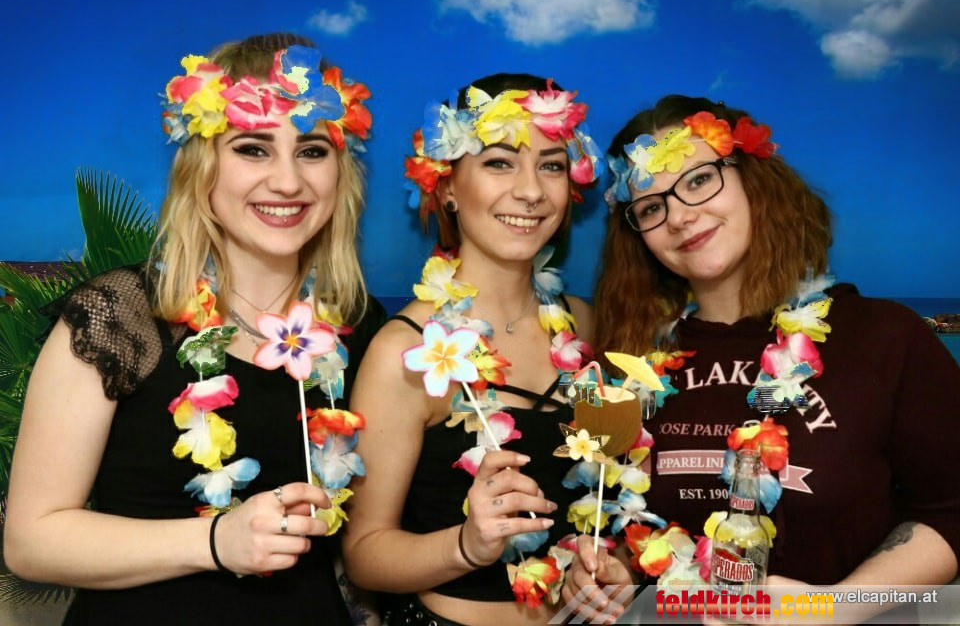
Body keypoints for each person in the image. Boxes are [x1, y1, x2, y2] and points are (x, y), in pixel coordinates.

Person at [3, 33, 386, 625]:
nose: (288, 182)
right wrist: (214, 542)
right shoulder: (118, 315)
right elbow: (31, 542)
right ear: (202, 166)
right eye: (253, 149)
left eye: (312, 150)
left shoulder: (359, 325)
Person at [562, 94, 960, 621]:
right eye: (651, 208)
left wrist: (828, 609)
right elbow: (637, 530)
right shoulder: (633, 366)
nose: (679, 216)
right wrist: (619, 573)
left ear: (752, 178)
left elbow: (952, 512)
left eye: (699, 180)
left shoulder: (883, 337)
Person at [343, 74, 602, 625]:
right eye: (500, 162)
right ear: (448, 186)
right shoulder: (406, 351)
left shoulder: (586, 326)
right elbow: (364, 555)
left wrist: (613, 561)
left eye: (552, 165)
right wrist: (465, 545)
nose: (531, 191)